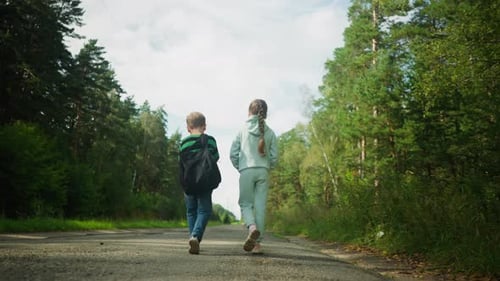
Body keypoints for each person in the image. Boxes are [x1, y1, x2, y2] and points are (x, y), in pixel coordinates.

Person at [230, 99, 278, 254]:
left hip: (246, 170)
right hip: (263, 171)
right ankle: (257, 245)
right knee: (260, 207)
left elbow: (233, 154)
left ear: (249, 112)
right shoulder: (270, 132)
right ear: (265, 113)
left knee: (245, 204)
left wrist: (241, 166)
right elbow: (274, 158)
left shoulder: (242, 130)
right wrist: (266, 166)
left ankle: (252, 228)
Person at [179, 111, 220, 254]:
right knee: (204, 210)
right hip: (204, 181)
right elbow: (215, 157)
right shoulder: (210, 141)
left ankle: (193, 238)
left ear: (188, 128)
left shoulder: (184, 142)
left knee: (191, 211)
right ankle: (195, 236)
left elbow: (181, 162)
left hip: (189, 181)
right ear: (204, 126)